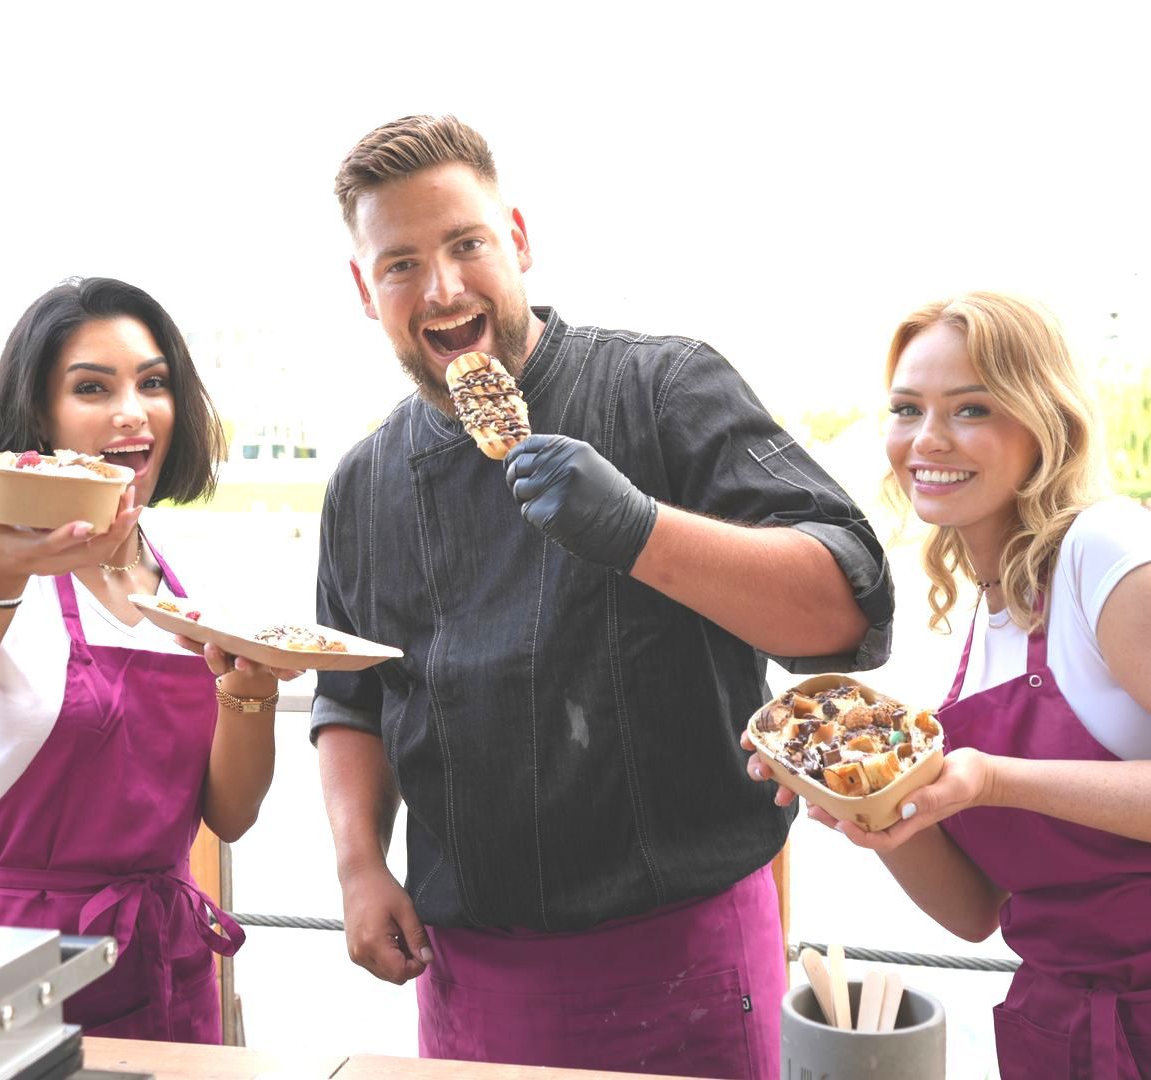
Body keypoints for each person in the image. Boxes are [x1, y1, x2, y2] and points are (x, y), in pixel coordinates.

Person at [310, 115, 894, 1079]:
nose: (445, 287)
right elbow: (352, 695)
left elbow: (847, 608)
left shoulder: (664, 388)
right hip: (469, 972)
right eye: (403, 262)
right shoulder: (363, 483)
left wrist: (640, 531)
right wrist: (359, 865)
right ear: (365, 290)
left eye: (467, 243)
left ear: (520, 240)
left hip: (687, 955)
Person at [747, 292, 1151, 1077]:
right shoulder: (989, 605)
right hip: (1074, 1036)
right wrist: (863, 810)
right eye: (907, 408)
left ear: (1045, 422)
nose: (926, 439)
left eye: (971, 409)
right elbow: (973, 911)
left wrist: (995, 780)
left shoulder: (1112, 553)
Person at [0, 276, 285, 1044]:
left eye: (153, 383)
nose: (133, 410)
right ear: (40, 414)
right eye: (92, 387)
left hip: (164, 964)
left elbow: (228, 814)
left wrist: (249, 692)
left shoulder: (185, 585)